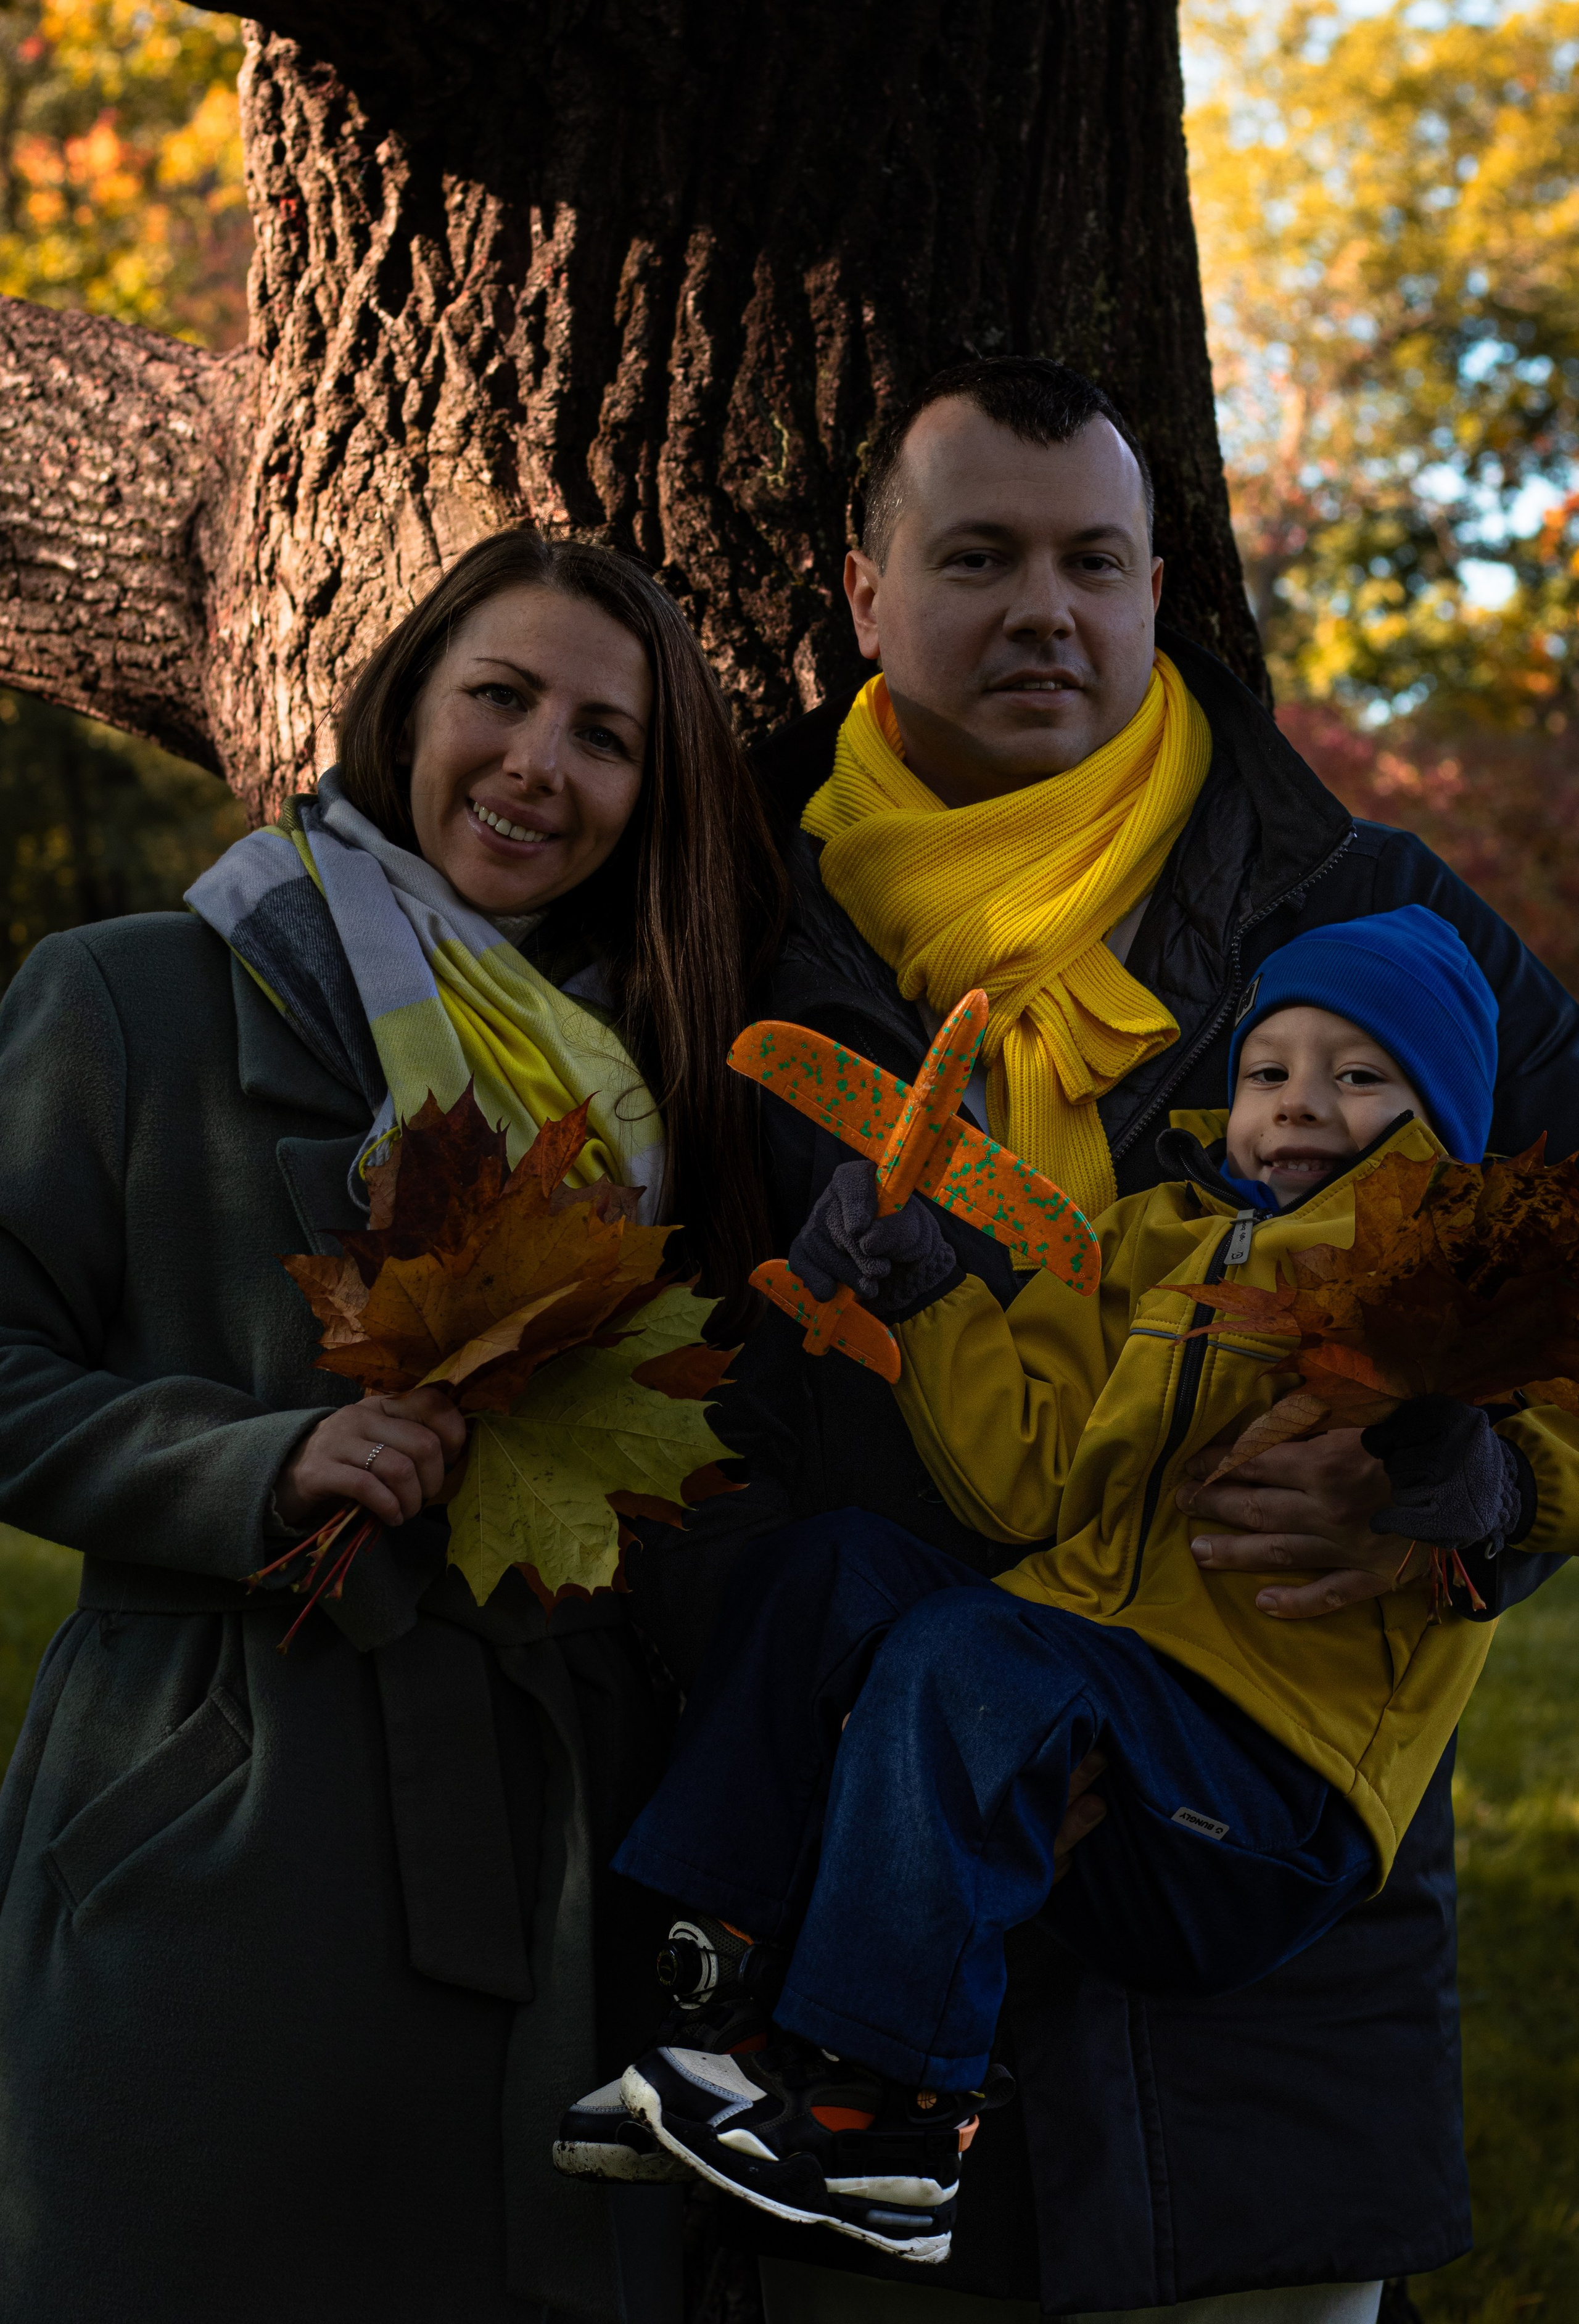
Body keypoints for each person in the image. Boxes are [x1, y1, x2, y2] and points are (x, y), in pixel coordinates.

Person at [592, 358, 1579, 2323]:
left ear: (1154, 593)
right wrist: (866, 1717)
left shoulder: (1379, 924)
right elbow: (631, 1391)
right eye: (979, 556)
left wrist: (1480, 1488)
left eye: (1091, 561)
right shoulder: (708, 925)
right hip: (831, 1881)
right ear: (867, 593)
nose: (1045, 605)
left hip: (1254, 1953)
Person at [0, 528, 786, 2324]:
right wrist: (251, 1463)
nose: (539, 763)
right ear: (401, 708)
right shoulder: (138, 999)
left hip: (554, 1831)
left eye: (605, 737)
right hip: (220, 1804)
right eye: (498, 697)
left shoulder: (656, 1076)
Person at [602, 905, 1577, 2271]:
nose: (1298, 1103)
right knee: (827, 1573)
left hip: (1259, 1789)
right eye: (1266, 1070)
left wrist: (1483, 1479)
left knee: (967, 1655)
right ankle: (714, 1996)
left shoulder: (1466, 1259)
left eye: (1359, 1077)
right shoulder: (1150, 1242)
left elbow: (1554, 1426)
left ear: (1442, 1113)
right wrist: (930, 1287)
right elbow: (1029, 1484)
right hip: (1093, 1690)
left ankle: (887, 2120)